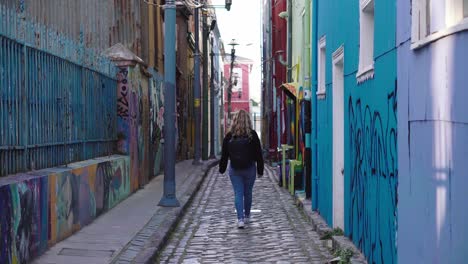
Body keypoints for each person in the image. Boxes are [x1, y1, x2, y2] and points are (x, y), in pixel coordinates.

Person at [219, 110, 264, 229]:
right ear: (248, 121)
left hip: (235, 169)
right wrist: (260, 170)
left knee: (238, 193)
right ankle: (248, 216)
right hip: (249, 169)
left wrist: (222, 169)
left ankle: (240, 219)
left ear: (235, 121)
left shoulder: (229, 136)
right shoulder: (253, 135)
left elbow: (224, 155)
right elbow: (259, 154)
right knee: (248, 193)